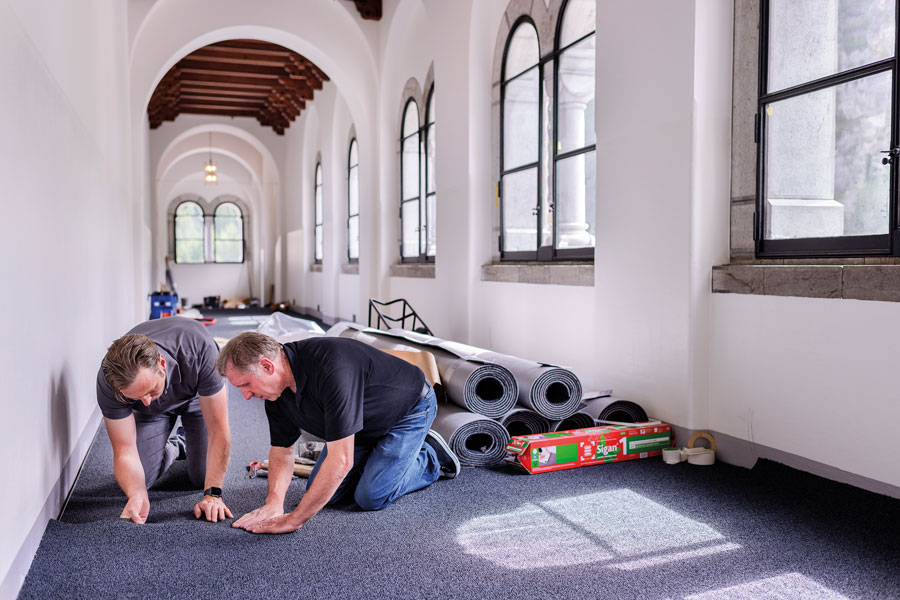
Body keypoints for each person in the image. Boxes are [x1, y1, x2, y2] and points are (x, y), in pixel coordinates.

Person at [216, 332, 460, 534]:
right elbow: (282, 449)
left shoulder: (331, 366)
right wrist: (274, 503)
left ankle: (430, 457)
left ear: (267, 366)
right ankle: (380, 458)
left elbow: (341, 461)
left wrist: (294, 520)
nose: (245, 396)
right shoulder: (275, 395)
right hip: (360, 425)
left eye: (246, 385)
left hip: (406, 411)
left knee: (371, 495)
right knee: (327, 495)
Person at [97, 317, 232, 524]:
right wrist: (137, 494)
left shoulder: (200, 350)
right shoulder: (110, 382)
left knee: (201, 477)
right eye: (136, 398)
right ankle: (178, 444)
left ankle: (189, 437)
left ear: (161, 363)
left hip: (197, 395)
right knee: (142, 480)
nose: (146, 402)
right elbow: (124, 449)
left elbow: (219, 430)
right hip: (157, 413)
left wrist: (213, 495)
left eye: (151, 390)